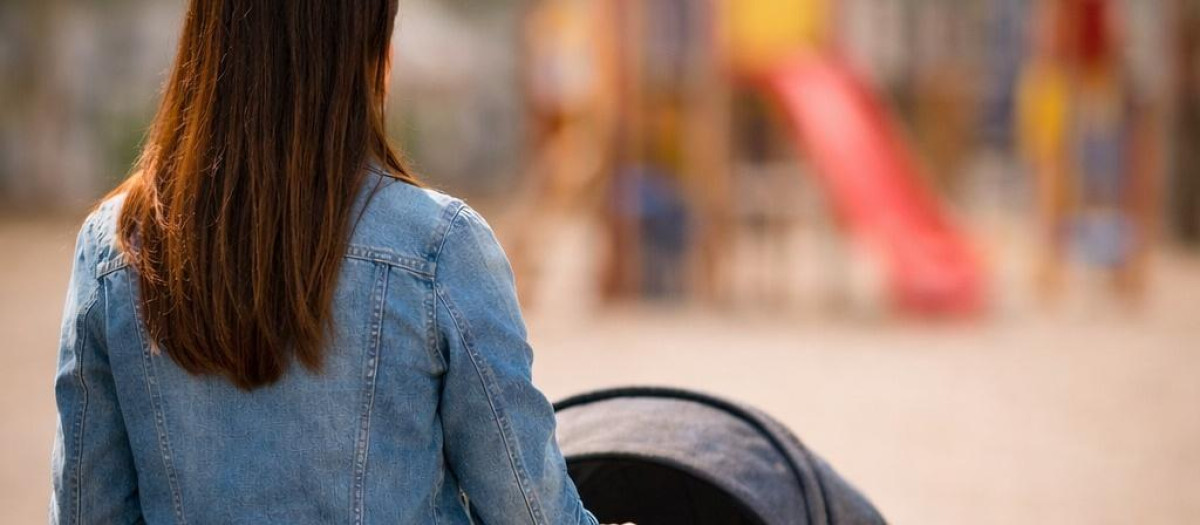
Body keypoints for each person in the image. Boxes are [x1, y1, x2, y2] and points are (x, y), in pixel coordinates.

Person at [49, 1, 598, 523]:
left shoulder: (117, 247)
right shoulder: (440, 248)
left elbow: (85, 511)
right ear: (367, 53)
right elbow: (528, 510)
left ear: (205, 44)